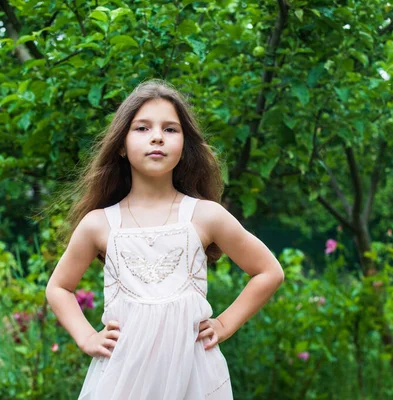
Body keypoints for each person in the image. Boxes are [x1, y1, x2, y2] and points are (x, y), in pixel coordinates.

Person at [45, 79, 285, 399]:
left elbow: (269, 271)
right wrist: (86, 337)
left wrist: (225, 324)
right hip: (122, 380)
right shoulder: (100, 224)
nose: (157, 136)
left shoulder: (204, 216)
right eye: (142, 128)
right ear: (120, 144)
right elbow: (58, 287)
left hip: (194, 377)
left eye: (170, 129)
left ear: (184, 144)